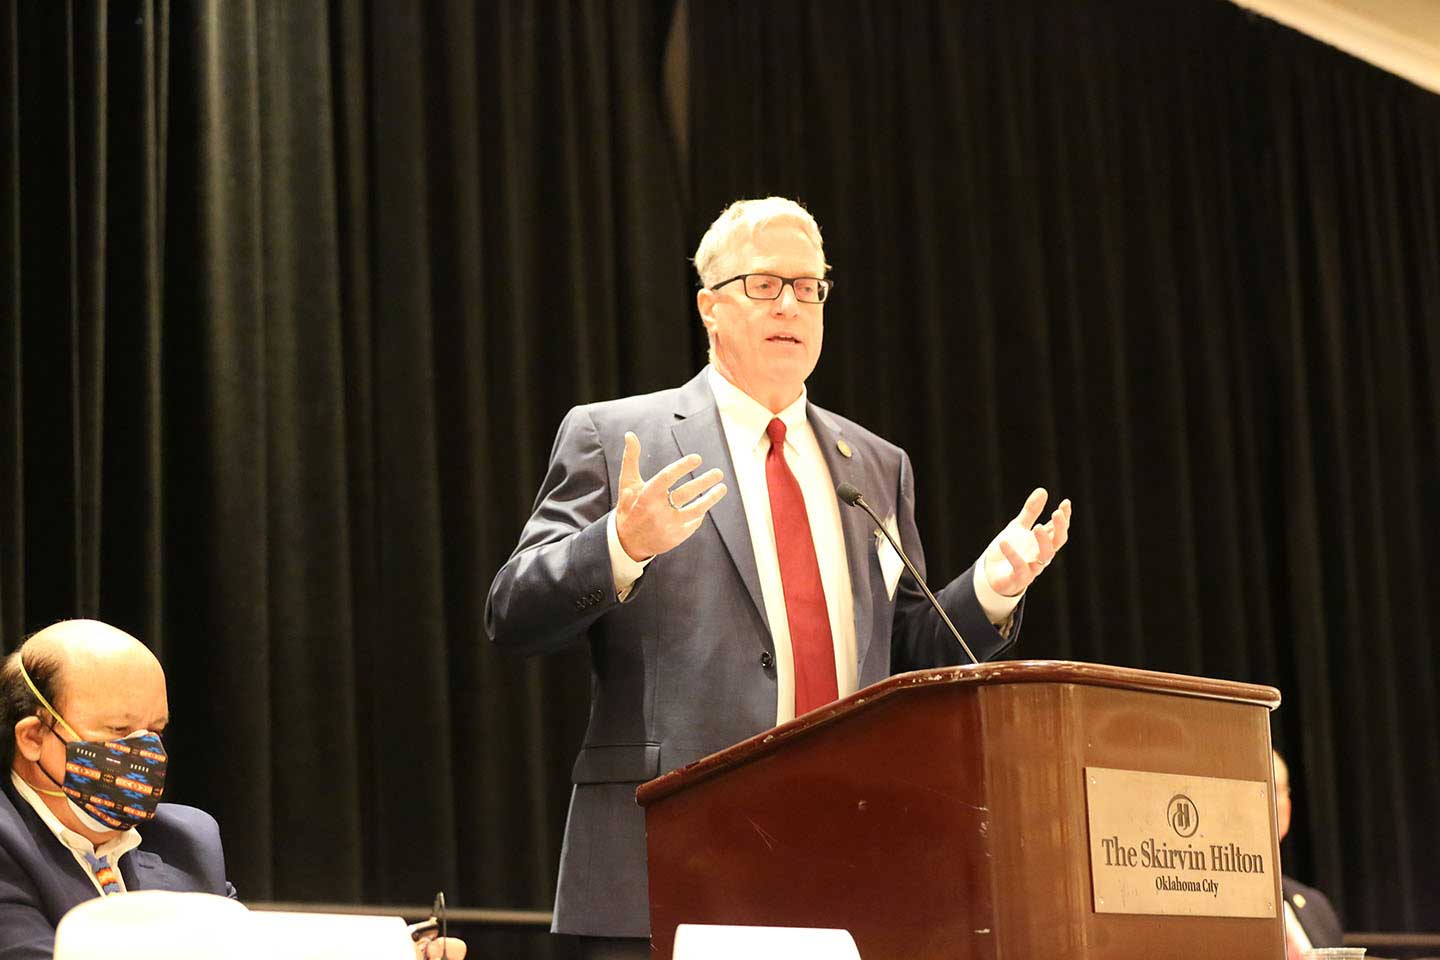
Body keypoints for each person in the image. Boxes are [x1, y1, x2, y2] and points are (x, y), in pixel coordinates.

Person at [486, 197, 1073, 955]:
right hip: (665, 863)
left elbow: (904, 655)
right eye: (764, 284)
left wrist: (991, 588)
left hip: (844, 861)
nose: (790, 304)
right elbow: (513, 613)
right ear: (711, 307)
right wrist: (620, 545)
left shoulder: (876, 466)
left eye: (808, 286)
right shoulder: (616, 435)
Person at [0, 620, 464, 960]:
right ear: (33, 737)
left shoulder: (186, 841)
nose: (144, 752)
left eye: (155, 731)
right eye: (119, 731)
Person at [1274, 749, 1344, 955]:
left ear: (1287, 807)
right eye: (1257, 787)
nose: (1265, 800)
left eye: (1275, 790)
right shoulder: (1210, 905)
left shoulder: (1318, 908)